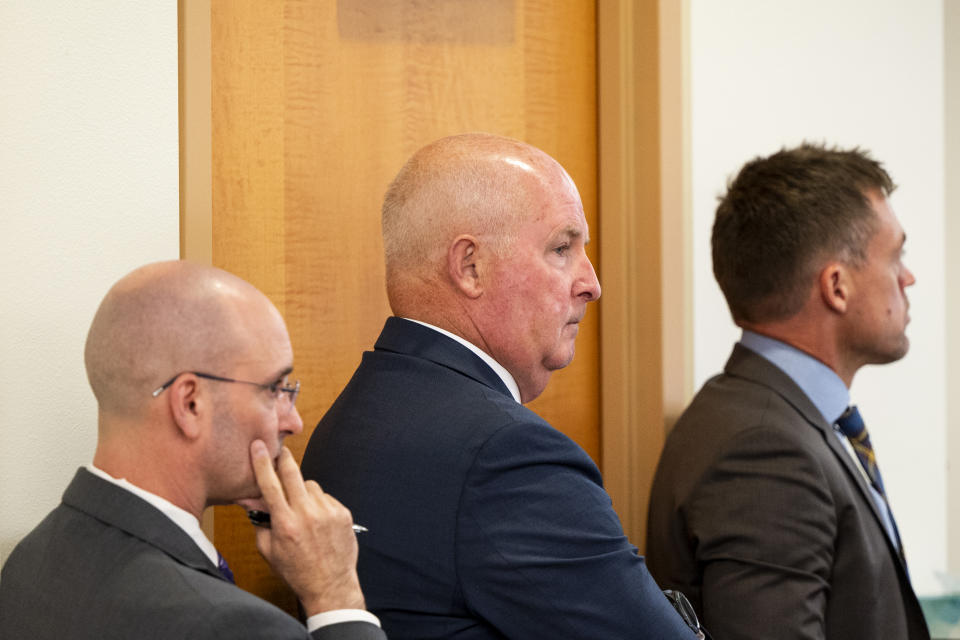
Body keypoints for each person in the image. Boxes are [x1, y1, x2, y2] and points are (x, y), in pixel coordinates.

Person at [300, 133, 701, 639]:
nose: (591, 283)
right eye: (562, 248)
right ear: (470, 266)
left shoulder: (352, 415)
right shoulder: (508, 455)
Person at [0, 261, 386, 640]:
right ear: (190, 404)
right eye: (274, 389)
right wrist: (336, 596)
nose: (294, 421)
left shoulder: (29, 559)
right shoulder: (229, 625)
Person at [646, 143, 930, 639]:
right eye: (896, 255)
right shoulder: (762, 448)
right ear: (836, 286)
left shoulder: (770, 416)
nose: (908, 277)